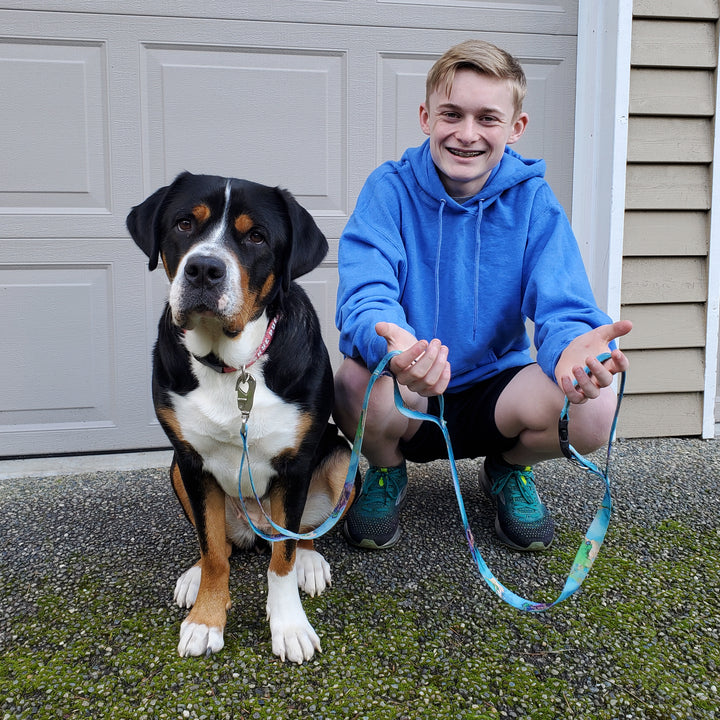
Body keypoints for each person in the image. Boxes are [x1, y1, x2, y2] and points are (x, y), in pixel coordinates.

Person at [333, 39, 632, 552]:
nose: (466, 134)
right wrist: (397, 349)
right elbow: (366, 293)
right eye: (452, 113)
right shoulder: (388, 190)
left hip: (499, 393)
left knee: (594, 406)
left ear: (515, 128)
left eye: (487, 118)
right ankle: (386, 470)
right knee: (353, 380)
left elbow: (562, 301)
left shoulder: (533, 200)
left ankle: (508, 469)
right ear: (427, 116)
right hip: (415, 386)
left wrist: (572, 348)